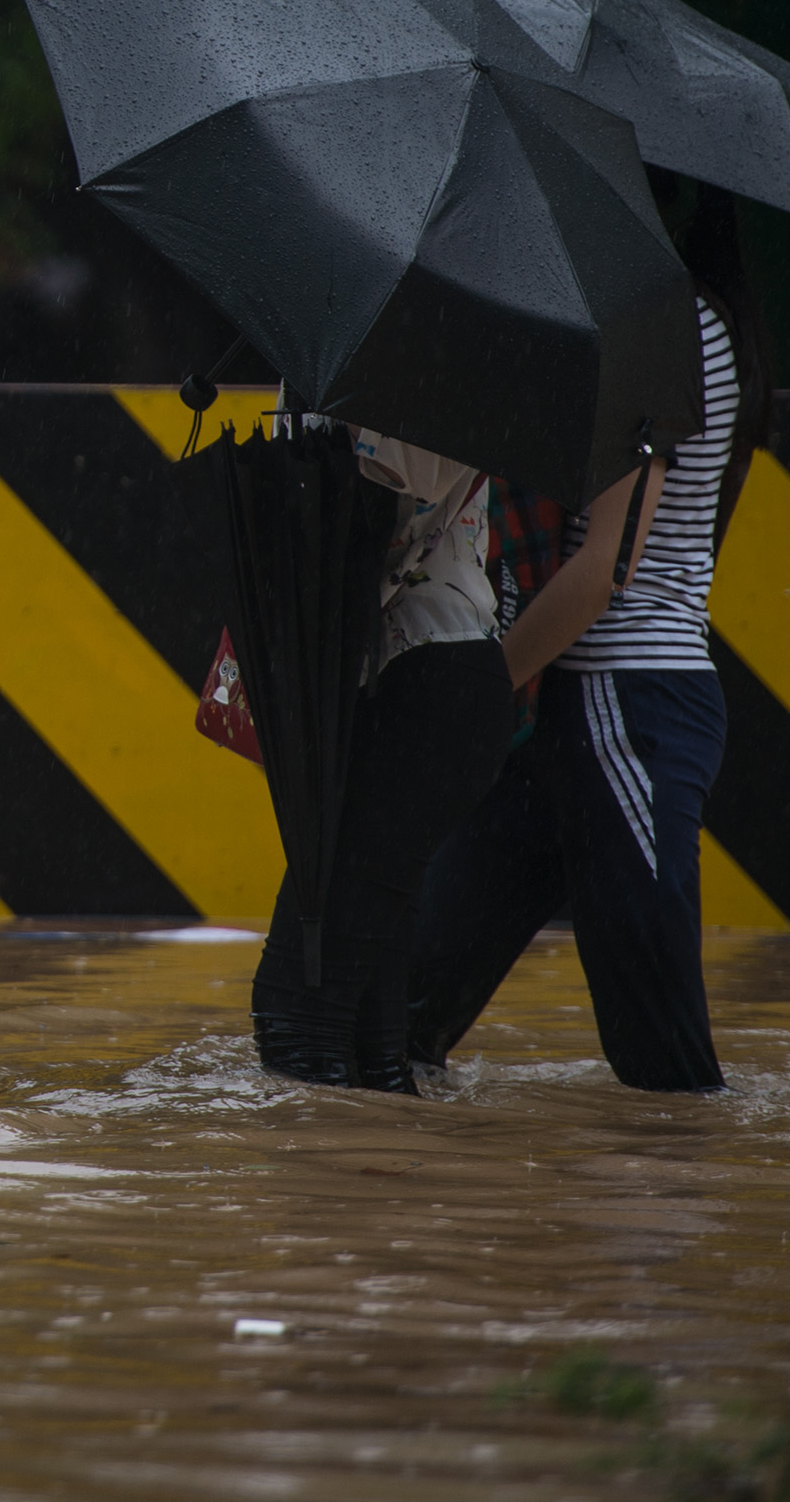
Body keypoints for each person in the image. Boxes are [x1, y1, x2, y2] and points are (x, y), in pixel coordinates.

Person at [406, 184, 765, 1093]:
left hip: (624, 708)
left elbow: (604, 569)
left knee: (669, 1075)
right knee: (397, 1023)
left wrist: (481, 692)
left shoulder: (659, 328)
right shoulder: (672, 322)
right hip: (563, 715)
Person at [250, 421, 513, 1093]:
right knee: (368, 1037)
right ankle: (379, 1189)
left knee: (297, 1012)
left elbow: (390, 495)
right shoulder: (367, 352)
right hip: (407, 687)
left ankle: (323, 1193)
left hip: (428, 685)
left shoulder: (417, 361)